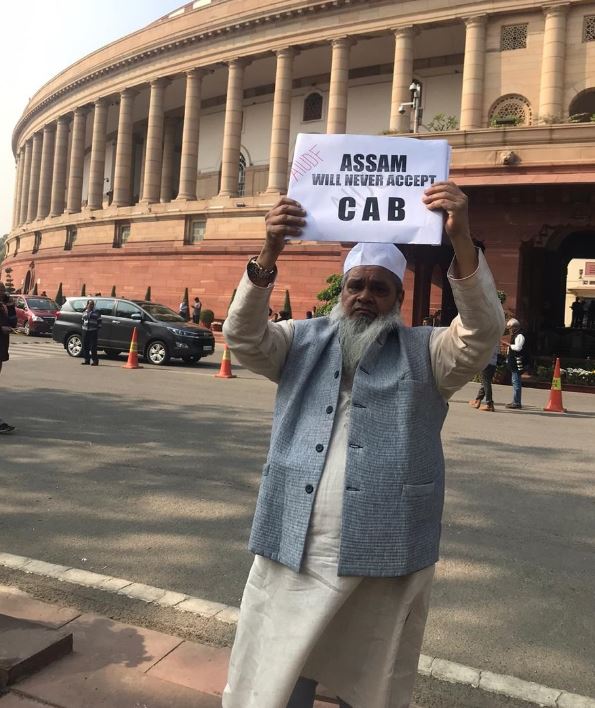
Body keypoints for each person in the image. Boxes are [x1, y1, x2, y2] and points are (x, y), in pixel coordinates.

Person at [222, 182, 504, 708]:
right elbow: (241, 337)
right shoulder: (298, 341)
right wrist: (270, 251)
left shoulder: (429, 354)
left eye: (379, 288)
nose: (364, 298)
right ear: (340, 292)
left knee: (373, 672)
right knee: (281, 667)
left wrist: (461, 241)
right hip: (296, 540)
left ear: (398, 300)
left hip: (387, 549)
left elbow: (482, 332)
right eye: (356, 286)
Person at [0, 282, 17, 434]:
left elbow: (13, 322)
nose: (2, 293)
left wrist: (11, 307)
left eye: (3, 290)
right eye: (0, 290)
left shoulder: (4, 306)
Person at [469, 342, 500, 412]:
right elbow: (498, 351)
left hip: (487, 362)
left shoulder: (489, 337)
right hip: (493, 362)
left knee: (486, 382)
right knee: (485, 382)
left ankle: (489, 403)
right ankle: (478, 400)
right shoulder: (496, 337)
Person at [504, 318, 526, 409]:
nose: (510, 330)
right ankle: (515, 401)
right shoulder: (515, 335)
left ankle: (517, 402)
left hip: (517, 363)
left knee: (516, 382)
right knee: (515, 382)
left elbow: (518, 348)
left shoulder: (520, 336)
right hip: (513, 362)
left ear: (515, 327)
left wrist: (508, 345)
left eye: (510, 328)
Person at [81, 299, 102, 366]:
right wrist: (88, 312)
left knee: (93, 347)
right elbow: (83, 319)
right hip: (85, 330)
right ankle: (87, 360)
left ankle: (95, 361)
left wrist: (97, 328)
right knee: (85, 346)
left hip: (93, 331)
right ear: (87, 305)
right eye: (90, 304)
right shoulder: (84, 311)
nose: (91, 305)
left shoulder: (96, 312)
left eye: (92, 304)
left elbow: (99, 321)